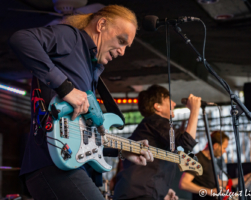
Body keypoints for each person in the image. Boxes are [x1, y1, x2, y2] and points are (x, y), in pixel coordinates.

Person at [9, 5, 154, 200]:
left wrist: (123, 150)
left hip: (66, 163)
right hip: (51, 164)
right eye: (121, 41)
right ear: (101, 25)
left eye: (126, 46)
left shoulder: (91, 68)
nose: (122, 52)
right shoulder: (72, 38)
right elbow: (21, 39)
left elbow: (84, 135)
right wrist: (65, 87)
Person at [113, 84, 202, 200]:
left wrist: (163, 191)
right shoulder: (156, 121)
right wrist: (195, 110)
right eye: (169, 100)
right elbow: (186, 143)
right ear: (157, 107)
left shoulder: (151, 126)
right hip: (140, 192)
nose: (174, 104)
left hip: (136, 191)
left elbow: (153, 165)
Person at [179, 131, 251, 200]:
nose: (224, 151)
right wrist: (209, 191)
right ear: (215, 146)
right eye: (224, 148)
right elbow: (184, 184)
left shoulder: (212, 161)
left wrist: (244, 178)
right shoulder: (197, 160)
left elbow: (218, 182)